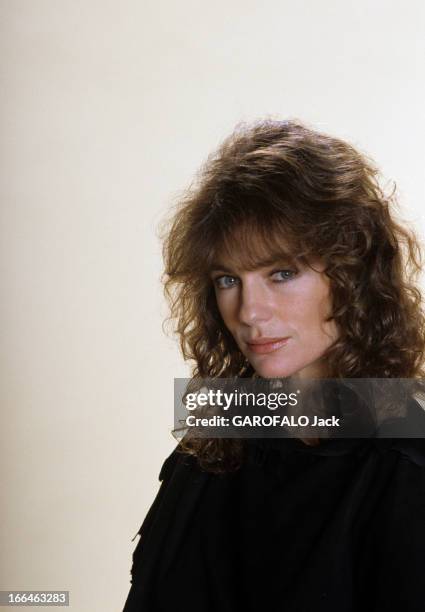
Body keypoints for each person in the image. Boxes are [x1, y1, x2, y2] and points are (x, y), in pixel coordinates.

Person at [123, 119, 425, 611]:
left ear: (354, 273)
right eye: (227, 280)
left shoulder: (406, 465)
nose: (249, 311)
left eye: (282, 273)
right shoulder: (216, 443)